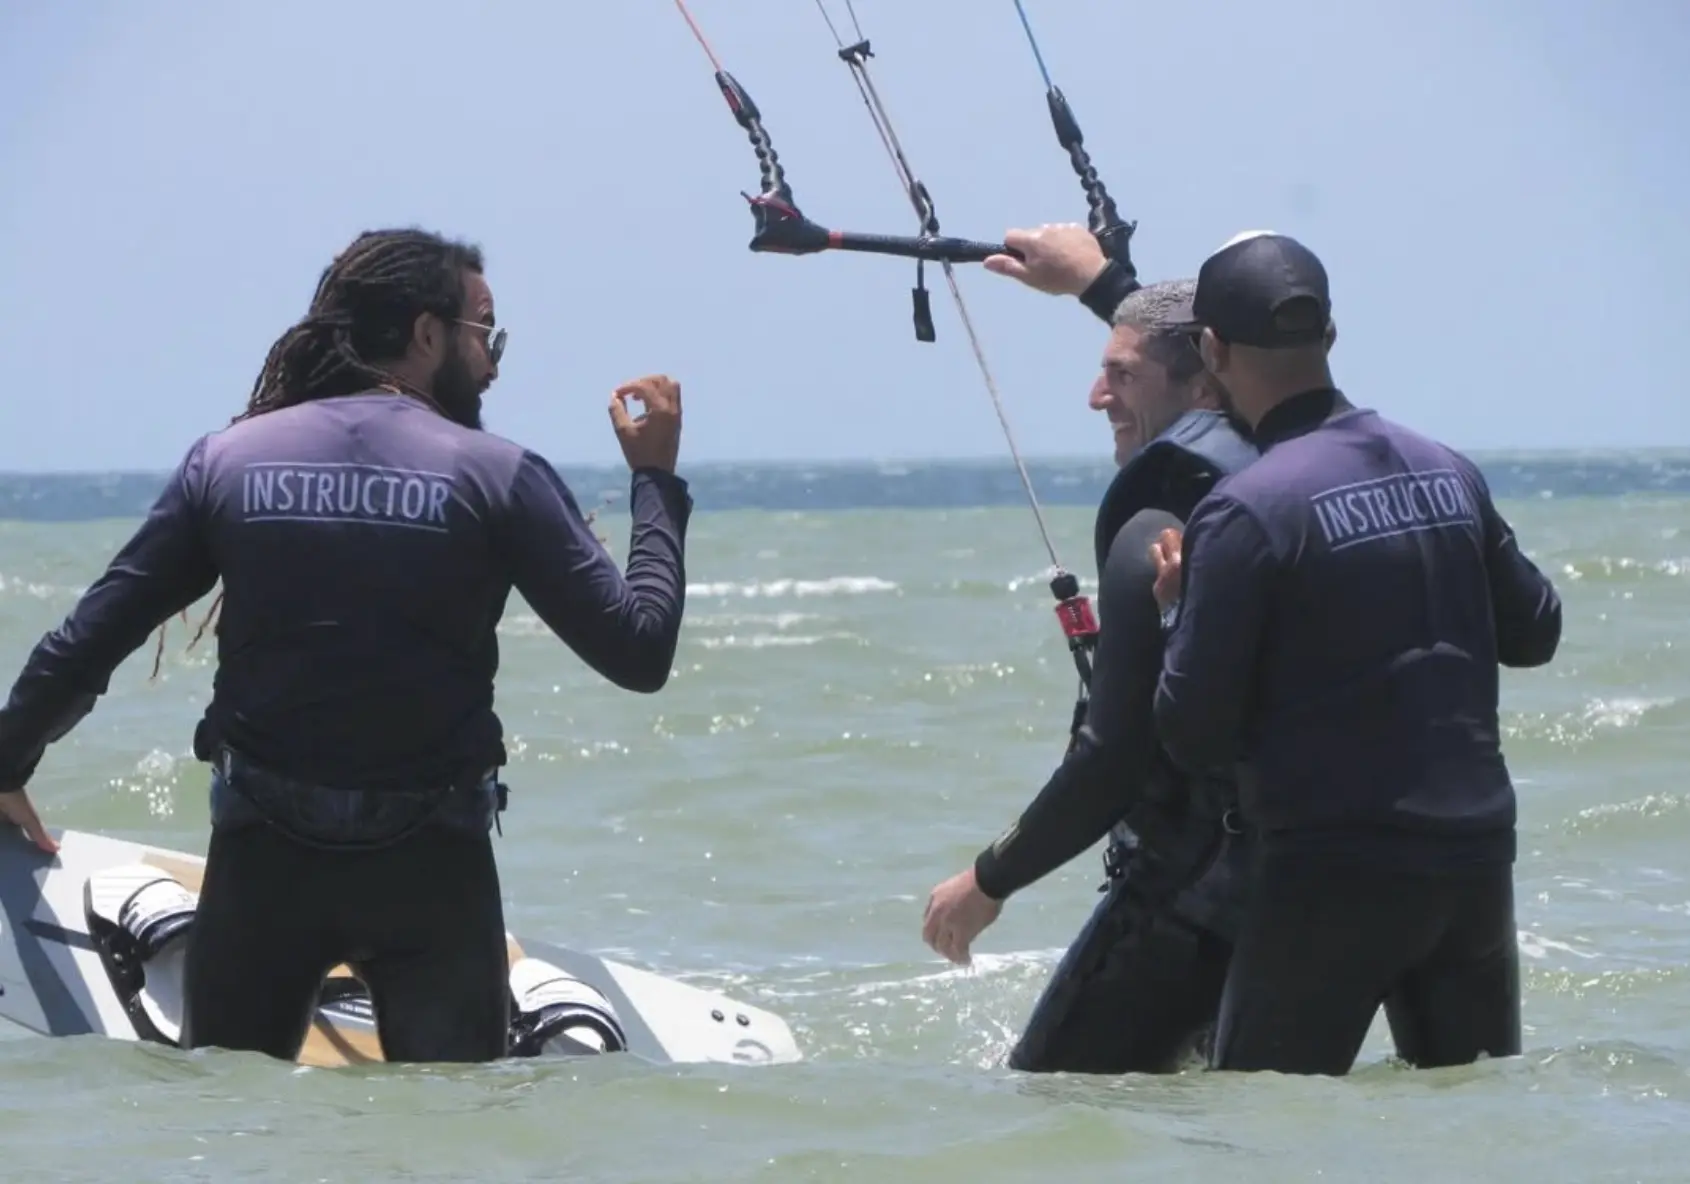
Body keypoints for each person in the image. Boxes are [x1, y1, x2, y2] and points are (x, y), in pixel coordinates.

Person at [0, 227, 693, 1065]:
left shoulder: (228, 463)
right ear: (427, 335)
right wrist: (654, 479)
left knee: (228, 1129)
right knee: (445, 1139)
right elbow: (639, 648)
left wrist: (7, 765)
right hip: (432, 881)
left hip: (265, 872)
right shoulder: (497, 475)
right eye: (485, 333)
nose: (495, 362)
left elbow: (90, 639)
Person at [1148, 230, 1563, 1076]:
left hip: (1332, 873)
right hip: (1475, 863)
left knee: (1262, 1136)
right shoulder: (1447, 470)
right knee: (1471, 1133)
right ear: (1328, 337)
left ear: (1211, 349)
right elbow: (1536, 632)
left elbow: (1191, 733)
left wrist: (1177, 612)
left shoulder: (1245, 510)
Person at [920, 224, 1262, 1074]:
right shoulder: (1301, 467)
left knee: (1053, 1097)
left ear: (1206, 380)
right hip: (1306, 877)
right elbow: (1197, 352)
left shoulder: (1154, 525)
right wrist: (1100, 283)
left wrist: (988, 881)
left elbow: (1113, 757)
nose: (1095, 396)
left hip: (1192, 889)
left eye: (1120, 376)